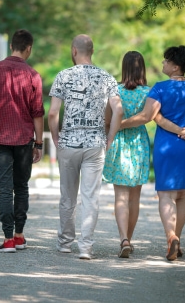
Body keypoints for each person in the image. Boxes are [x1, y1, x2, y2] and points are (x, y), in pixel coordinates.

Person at [121, 45, 185, 261]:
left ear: (175, 66)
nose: (163, 63)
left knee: (166, 195)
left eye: (166, 61)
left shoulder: (160, 88)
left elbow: (150, 116)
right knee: (183, 196)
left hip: (167, 145)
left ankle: (170, 237)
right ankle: (178, 239)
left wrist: (118, 125)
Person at [103, 51, 185, 258]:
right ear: (142, 69)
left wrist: (113, 129)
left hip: (119, 143)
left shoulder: (115, 91)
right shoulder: (150, 91)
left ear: (123, 67)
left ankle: (123, 240)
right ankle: (132, 237)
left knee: (120, 195)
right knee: (134, 197)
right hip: (139, 144)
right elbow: (154, 118)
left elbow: (107, 120)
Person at [48, 34, 123, 260]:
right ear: (92, 51)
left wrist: (55, 138)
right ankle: (86, 248)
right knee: (91, 196)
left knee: (67, 196)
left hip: (69, 143)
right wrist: (109, 138)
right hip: (95, 144)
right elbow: (118, 111)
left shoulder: (63, 75)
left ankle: (64, 243)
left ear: (74, 51)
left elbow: (52, 113)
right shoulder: (107, 77)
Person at [0, 29, 45, 253]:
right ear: (29, 49)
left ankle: (7, 239)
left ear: (11, 47)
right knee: (21, 187)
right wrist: (38, 143)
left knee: (4, 189)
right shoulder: (33, 75)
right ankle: (19, 236)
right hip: (24, 140)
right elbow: (37, 113)